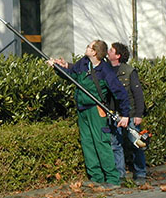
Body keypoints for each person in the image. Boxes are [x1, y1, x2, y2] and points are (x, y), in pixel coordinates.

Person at [47, 40, 130, 189]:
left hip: (97, 110)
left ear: (95, 52)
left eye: (89, 47)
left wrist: (125, 114)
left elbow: (120, 92)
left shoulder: (105, 70)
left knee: (101, 143)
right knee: (88, 144)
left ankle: (112, 179)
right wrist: (57, 67)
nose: (86, 48)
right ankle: (96, 177)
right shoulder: (84, 63)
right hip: (82, 109)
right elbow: (71, 75)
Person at [108, 42, 147, 186]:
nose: (108, 51)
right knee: (115, 145)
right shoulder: (106, 70)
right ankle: (120, 175)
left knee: (137, 144)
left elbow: (137, 95)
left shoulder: (129, 71)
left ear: (118, 55)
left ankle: (141, 173)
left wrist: (138, 114)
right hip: (114, 114)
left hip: (130, 114)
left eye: (111, 50)